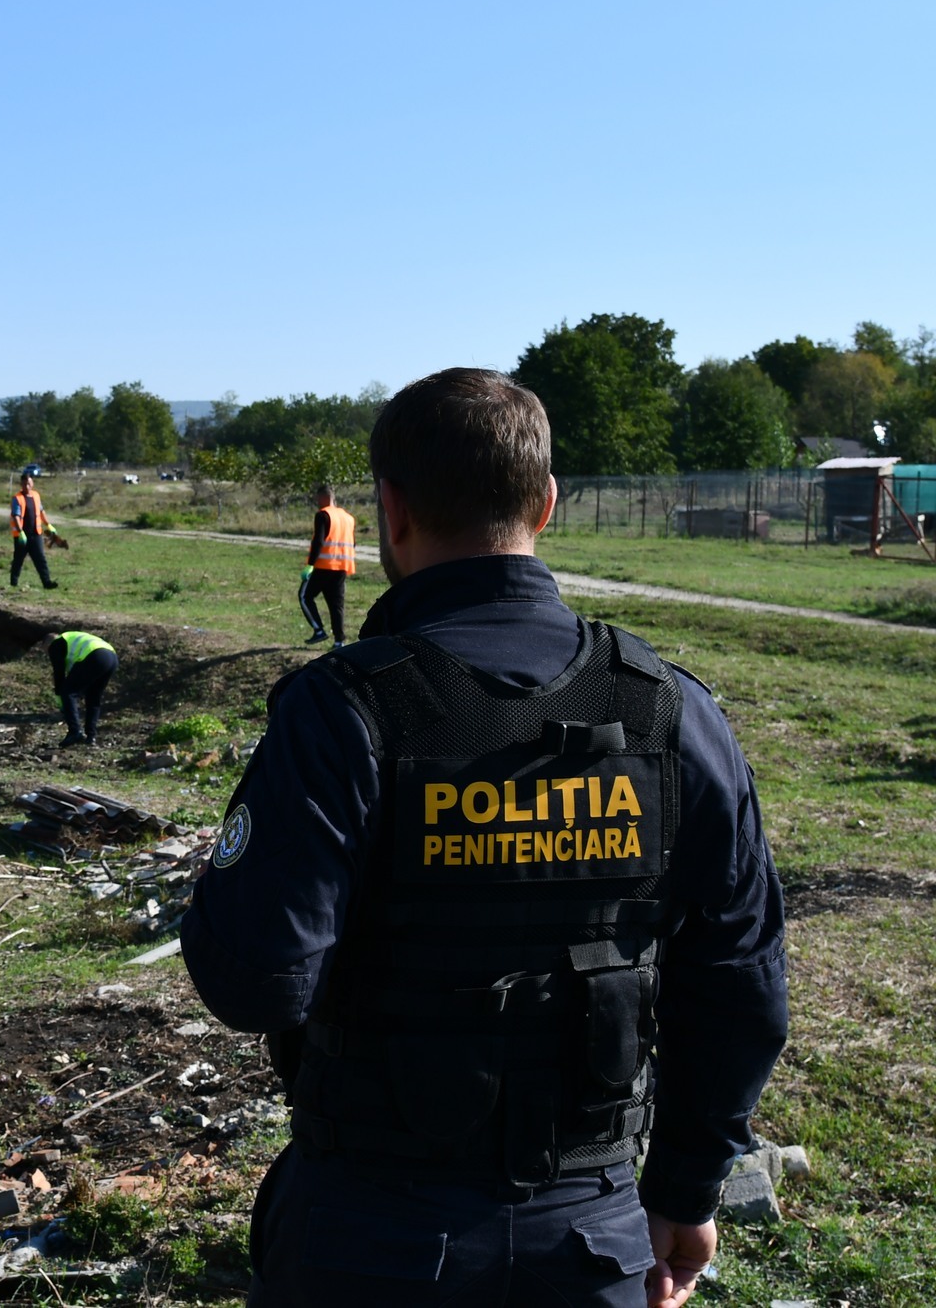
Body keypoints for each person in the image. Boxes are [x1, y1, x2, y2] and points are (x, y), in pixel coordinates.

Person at [182, 369, 786, 1308]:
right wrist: (686, 1185)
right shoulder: (671, 713)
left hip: (363, 1237)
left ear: (391, 511)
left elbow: (256, 979)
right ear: (546, 504)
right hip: (594, 1241)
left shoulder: (340, 711)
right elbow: (742, 981)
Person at [299, 483, 355, 645]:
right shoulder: (348, 517)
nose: (317, 502)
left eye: (317, 498)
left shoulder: (323, 515)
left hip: (324, 566)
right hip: (342, 567)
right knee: (336, 604)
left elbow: (319, 541)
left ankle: (319, 630)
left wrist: (310, 565)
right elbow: (353, 543)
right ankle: (339, 641)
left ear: (323, 497)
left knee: (305, 596)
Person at [46, 630, 115, 747]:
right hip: (111, 657)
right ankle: (91, 736)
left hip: (94, 655)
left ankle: (74, 732)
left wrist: (60, 698)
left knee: (68, 692)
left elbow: (59, 675)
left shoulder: (56, 644)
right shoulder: (70, 638)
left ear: (47, 645)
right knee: (93, 697)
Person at [11, 475, 60, 590]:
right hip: (22, 536)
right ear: (21, 485)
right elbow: (16, 516)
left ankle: (47, 582)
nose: (26, 486)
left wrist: (48, 525)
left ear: (32, 484)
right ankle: (13, 583)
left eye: (28, 484)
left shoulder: (36, 496)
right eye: (24, 484)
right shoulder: (17, 498)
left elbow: (41, 512)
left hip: (36, 534)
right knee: (18, 560)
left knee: (40, 559)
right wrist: (20, 532)